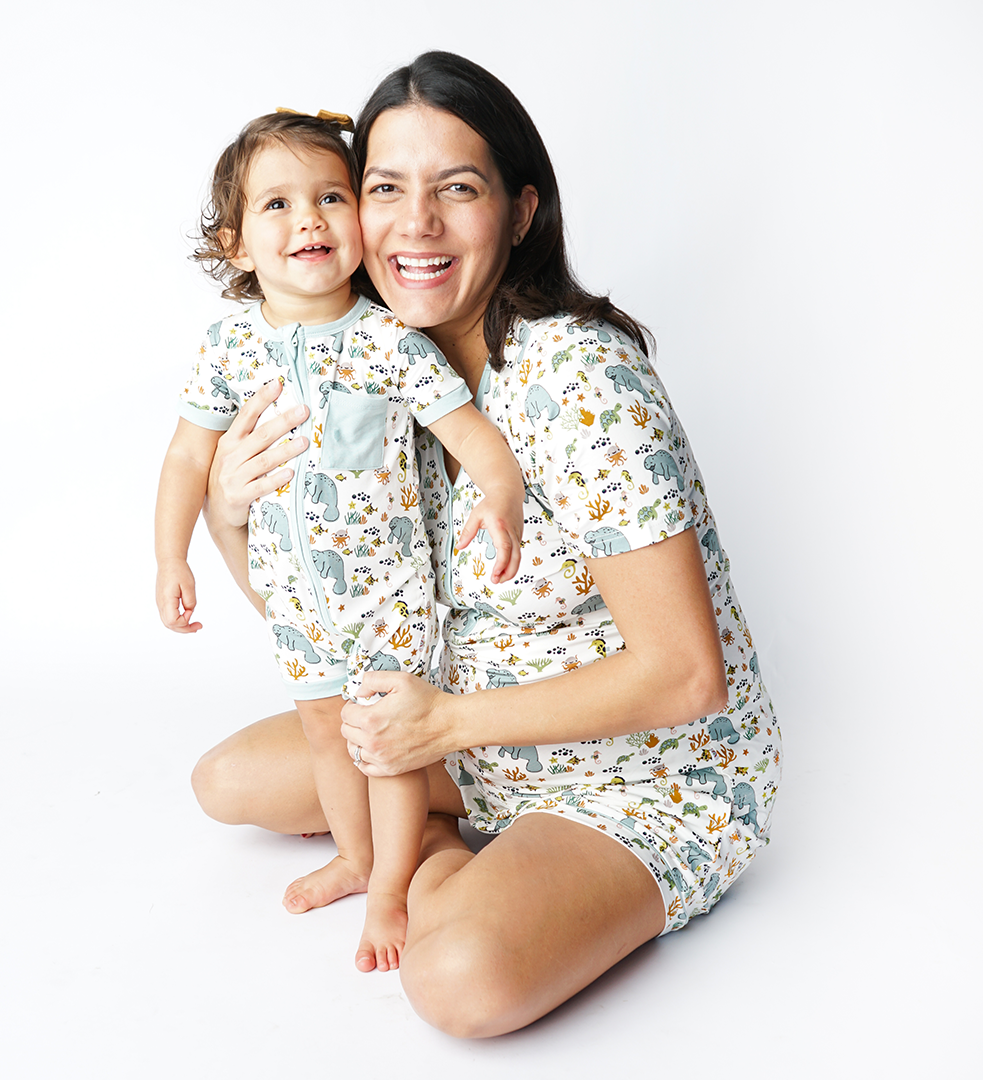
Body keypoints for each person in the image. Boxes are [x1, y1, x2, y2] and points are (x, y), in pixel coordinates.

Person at [193, 53, 782, 1037]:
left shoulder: (579, 383)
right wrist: (226, 508)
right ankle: (443, 851)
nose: (414, 224)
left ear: (518, 213)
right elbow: (324, 614)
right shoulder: (371, 367)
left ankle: (442, 873)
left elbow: (687, 676)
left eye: (456, 189)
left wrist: (441, 730)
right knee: (230, 782)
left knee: (461, 982)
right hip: (472, 745)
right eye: (384, 188)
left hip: (634, 776)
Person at [154, 110, 525, 972]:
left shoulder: (389, 340)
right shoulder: (228, 347)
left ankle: (392, 882)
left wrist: (499, 493)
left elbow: (471, 434)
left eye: (330, 196)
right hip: (296, 608)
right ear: (236, 242)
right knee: (325, 733)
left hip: (389, 605)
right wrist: (171, 554)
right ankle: (356, 857)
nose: (310, 220)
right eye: (277, 205)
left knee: (385, 746)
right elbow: (184, 459)